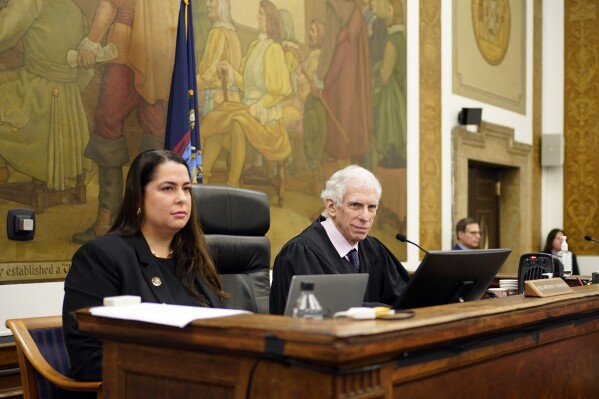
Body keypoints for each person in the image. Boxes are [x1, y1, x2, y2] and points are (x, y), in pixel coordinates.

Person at [62, 149, 228, 385]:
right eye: (168, 188)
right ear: (138, 198)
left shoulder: (195, 257)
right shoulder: (101, 257)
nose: (182, 197)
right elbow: (90, 360)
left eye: (187, 189)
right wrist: (189, 369)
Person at [72, 0, 179, 243]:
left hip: (156, 55)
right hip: (124, 48)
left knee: (154, 130)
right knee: (108, 123)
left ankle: (149, 219)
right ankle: (107, 218)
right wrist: (93, 39)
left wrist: (92, 40)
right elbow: (110, 3)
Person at [269, 165, 410, 315]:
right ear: (331, 206)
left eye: (372, 207)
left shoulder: (374, 250)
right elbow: (318, 315)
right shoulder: (301, 254)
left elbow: (407, 301)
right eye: (355, 205)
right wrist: (382, 311)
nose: (365, 217)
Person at [0, 0, 92, 189]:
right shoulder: (73, 8)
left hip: (38, 102)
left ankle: (1, 169)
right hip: (68, 103)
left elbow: (3, 33)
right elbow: (86, 72)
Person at [201, 0, 291, 187]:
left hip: (266, 117)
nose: (258, 17)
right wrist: (230, 72)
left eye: (261, 14)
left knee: (236, 122)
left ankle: (232, 185)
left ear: (270, 19)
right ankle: (202, 175)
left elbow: (280, 91)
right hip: (246, 107)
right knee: (216, 121)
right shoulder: (255, 46)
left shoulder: (273, 49)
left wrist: (259, 106)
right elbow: (246, 84)